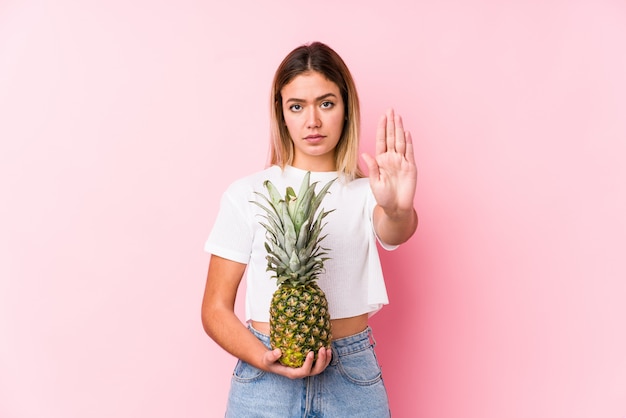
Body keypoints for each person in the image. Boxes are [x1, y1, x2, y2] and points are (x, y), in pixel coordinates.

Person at [201, 41, 417, 417]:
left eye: (327, 103)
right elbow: (215, 309)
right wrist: (265, 358)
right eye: (296, 106)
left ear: (346, 109)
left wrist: (397, 207)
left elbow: (394, 229)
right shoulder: (248, 193)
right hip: (264, 378)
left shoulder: (368, 193)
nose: (312, 121)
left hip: (351, 373)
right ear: (281, 114)